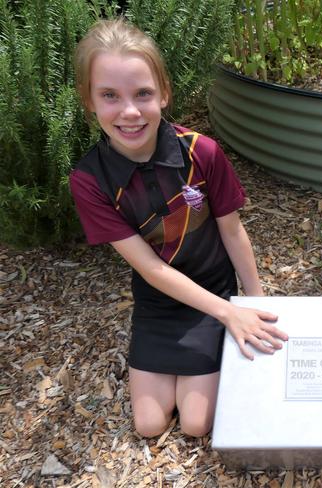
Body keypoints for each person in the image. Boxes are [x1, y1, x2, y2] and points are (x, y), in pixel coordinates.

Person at [70, 18, 287, 438]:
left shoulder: (201, 152)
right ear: (89, 101)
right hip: (158, 304)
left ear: (164, 94)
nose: (129, 111)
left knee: (196, 424)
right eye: (110, 96)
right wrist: (230, 314)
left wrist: (253, 305)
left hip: (216, 292)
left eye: (143, 94)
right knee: (149, 425)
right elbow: (150, 269)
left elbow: (232, 231)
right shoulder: (90, 179)